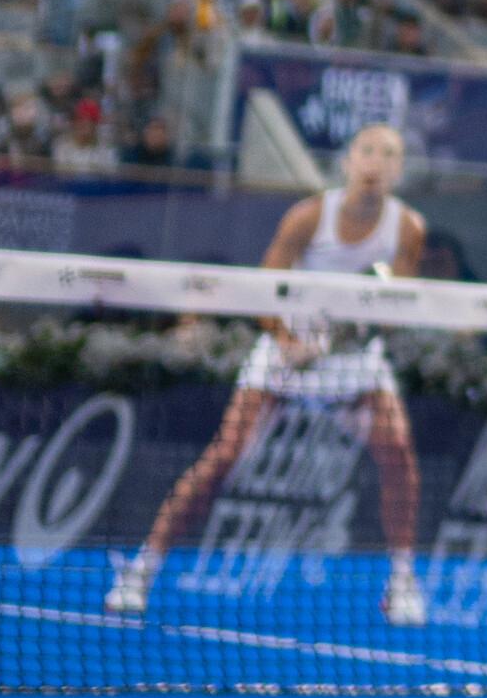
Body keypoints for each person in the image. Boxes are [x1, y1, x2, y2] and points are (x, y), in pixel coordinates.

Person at [107, 123, 433, 628]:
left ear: (398, 170)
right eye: (367, 151)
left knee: (399, 457)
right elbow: (264, 291)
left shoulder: (408, 228)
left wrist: (358, 325)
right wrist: (288, 340)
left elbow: (400, 305)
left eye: (388, 155)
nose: (375, 163)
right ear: (348, 161)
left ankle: (403, 581)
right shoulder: (308, 217)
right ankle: (140, 572)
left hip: (352, 362)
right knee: (223, 459)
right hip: (286, 353)